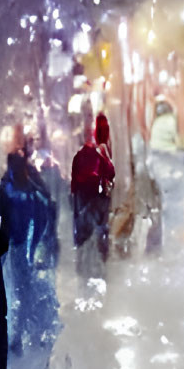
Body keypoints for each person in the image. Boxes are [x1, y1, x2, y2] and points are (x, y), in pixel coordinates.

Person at [0, 142, 63, 356]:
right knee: (22, 293)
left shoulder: (31, 189)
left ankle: (34, 334)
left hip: (30, 248)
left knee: (30, 292)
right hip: (19, 247)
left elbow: (47, 213)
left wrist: (45, 243)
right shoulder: (12, 187)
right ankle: (21, 336)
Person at [70, 113, 116, 275]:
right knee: (99, 237)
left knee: (84, 239)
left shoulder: (78, 157)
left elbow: (74, 187)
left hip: (82, 204)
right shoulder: (99, 155)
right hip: (97, 202)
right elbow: (110, 173)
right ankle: (100, 269)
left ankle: (83, 270)